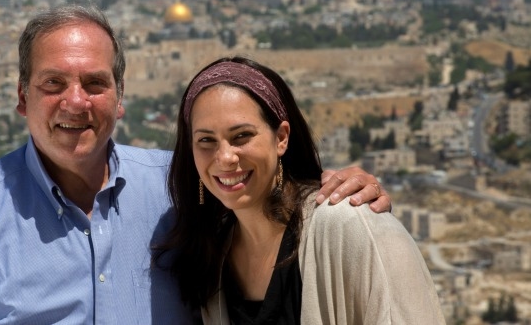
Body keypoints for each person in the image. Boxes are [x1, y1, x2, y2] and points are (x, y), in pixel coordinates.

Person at [0, 5, 392, 324]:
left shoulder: (187, 186)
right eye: (53, 84)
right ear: (22, 98)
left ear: (121, 98)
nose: (75, 102)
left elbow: (259, 192)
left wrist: (334, 188)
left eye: (94, 84)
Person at [157, 56, 445, 324]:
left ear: (281, 137)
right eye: (206, 140)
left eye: (241, 136)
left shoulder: (350, 226)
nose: (225, 157)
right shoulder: (211, 257)